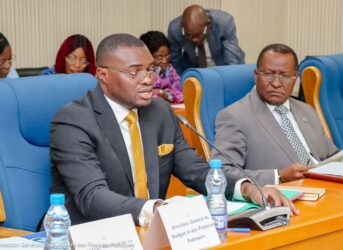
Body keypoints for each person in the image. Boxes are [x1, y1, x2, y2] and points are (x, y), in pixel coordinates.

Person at [50, 34, 298, 226]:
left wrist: (246, 188)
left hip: (151, 232)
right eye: (134, 72)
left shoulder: (160, 112)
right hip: (92, 234)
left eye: (150, 69)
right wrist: (157, 210)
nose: (148, 79)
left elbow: (196, 170)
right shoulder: (74, 121)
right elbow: (92, 196)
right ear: (102, 75)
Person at [211, 43, 338, 186]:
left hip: (328, 189)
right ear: (256, 75)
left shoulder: (306, 110)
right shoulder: (234, 116)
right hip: (286, 196)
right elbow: (222, 172)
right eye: (268, 74)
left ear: (295, 78)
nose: (276, 83)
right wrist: (279, 176)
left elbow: (332, 156)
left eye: (284, 76)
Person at [168, 4, 245, 74]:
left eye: (199, 35)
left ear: (208, 25)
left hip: (222, 67)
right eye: (189, 35)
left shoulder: (224, 23)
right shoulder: (175, 29)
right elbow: (175, 62)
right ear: (182, 27)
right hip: (194, 70)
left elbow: (233, 63)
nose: (195, 40)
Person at [140, 31, 183, 104]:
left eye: (167, 56)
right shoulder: (141, 73)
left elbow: (180, 90)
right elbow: (141, 93)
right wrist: (161, 92)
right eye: (159, 58)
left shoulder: (170, 69)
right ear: (147, 56)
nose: (164, 61)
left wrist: (167, 94)